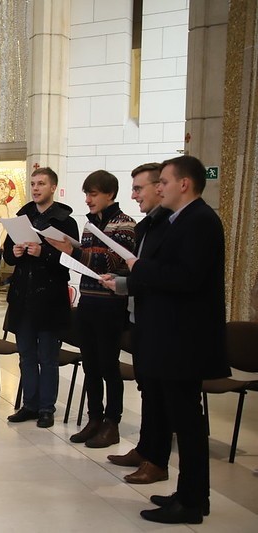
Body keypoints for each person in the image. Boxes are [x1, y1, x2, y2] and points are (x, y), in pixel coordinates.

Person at [124, 156, 229, 524]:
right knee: (184, 420)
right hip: (172, 338)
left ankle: (192, 501)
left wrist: (141, 268)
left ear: (183, 184)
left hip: (184, 340)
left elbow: (187, 278)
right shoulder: (181, 220)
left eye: (164, 182)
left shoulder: (200, 220)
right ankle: (190, 495)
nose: (160, 187)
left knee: (187, 423)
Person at [47, 170, 135, 448]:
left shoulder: (125, 224)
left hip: (111, 305)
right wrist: (72, 251)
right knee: (91, 365)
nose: (87, 199)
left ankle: (112, 423)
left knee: (109, 365)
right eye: (86, 194)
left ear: (110, 194)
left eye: (93, 194)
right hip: (88, 301)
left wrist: (74, 252)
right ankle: (94, 418)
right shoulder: (88, 226)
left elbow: (111, 260)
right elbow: (89, 260)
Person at [101, 163, 173, 484]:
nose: (134, 195)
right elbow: (138, 273)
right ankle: (145, 449)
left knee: (159, 394)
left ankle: (157, 460)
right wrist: (118, 282)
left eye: (138, 188)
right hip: (140, 318)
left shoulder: (172, 227)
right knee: (147, 390)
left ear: (160, 187)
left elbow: (161, 276)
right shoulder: (146, 227)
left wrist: (129, 276)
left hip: (162, 323)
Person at [4, 167, 78, 428]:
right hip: (24, 297)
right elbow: (8, 256)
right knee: (26, 355)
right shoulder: (23, 215)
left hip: (49, 299)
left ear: (52, 188)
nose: (35, 188)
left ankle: (47, 407)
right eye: (33, 184)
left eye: (41, 184)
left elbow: (71, 261)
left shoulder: (65, 220)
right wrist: (14, 251)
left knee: (47, 356)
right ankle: (30, 404)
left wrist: (43, 253)